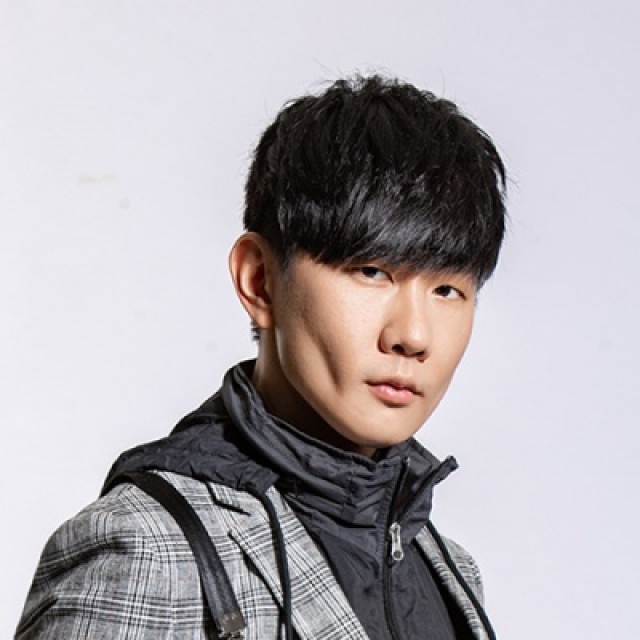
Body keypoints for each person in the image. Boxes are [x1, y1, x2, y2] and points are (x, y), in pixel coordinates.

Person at [16, 74, 506, 640]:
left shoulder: (449, 571)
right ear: (260, 280)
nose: (413, 335)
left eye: (447, 289)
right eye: (372, 272)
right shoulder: (150, 550)